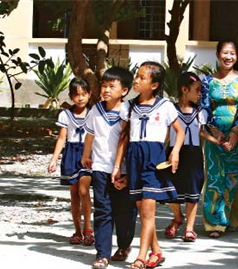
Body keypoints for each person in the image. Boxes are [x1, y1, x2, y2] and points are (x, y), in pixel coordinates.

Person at [112, 61, 185, 269]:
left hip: (155, 159)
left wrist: (175, 152)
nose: (136, 79)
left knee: (148, 210)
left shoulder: (165, 106)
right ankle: (157, 251)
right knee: (141, 208)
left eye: (142, 77)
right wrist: (118, 166)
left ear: (154, 85)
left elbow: (180, 131)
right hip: (134, 158)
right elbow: (124, 137)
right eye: (137, 75)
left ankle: (141, 256)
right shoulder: (129, 107)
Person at [80, 67, 138, 269]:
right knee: (103, 210)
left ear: (124, 90)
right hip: (100, 167)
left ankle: (124, 245)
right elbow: (90, 134)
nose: (106, 90)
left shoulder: (129, 110)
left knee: (125, 212)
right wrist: (86, 155)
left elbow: (129, 140)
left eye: (111, 86)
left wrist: (127, 171)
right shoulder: (96, 109)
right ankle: (102, 254)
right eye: (103, 85)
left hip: (123, 169)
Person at [200, 40, 238, 238]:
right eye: (224, 53)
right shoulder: (207, 81)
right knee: (214, 176)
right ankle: (214, 223)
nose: (228, 57)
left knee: (233, 178)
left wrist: (235, 132)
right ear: (217, 54)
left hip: (237, 135)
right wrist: (213, 130)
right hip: (214, 136)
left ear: (237, 56)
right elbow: (204, 107)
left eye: (232, 53)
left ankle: (232, 219)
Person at [164, 72, 220, 243]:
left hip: (194, 155)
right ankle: (178, 217)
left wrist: (217, 141)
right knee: (169, 189)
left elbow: (201, 132)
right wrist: (159, 151)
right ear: (184, 89)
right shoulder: (170, 109)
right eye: (197, 90)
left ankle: (189, 228)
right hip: (174, 153)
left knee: (193, 192)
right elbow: (166, 134)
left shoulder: (200, 112)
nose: (199, 94)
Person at [48, 77, 94, 246]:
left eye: (84, 94)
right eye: (76, 94)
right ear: (70, 96)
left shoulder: (94, 113)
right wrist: (54, 159)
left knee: (84, 190)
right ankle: (78, 230)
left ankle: (88, 228)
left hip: (88, 154)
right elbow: (61, 139)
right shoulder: (65, 114)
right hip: (71, 154)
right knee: (74, 195)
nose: (80, 97)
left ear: (89, 95)